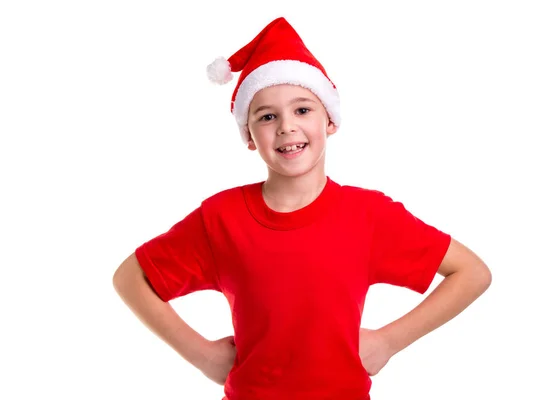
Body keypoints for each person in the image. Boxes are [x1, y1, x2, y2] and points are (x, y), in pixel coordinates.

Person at [112, 16, 492, 400]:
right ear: (248, 136)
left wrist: (389, 341)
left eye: (303, 110)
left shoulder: (368, 214)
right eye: (267, 116)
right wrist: (204, 357)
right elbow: (131, 278)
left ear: (330, 120)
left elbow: (471, 273)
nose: (286, 127)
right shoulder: (220, 218)